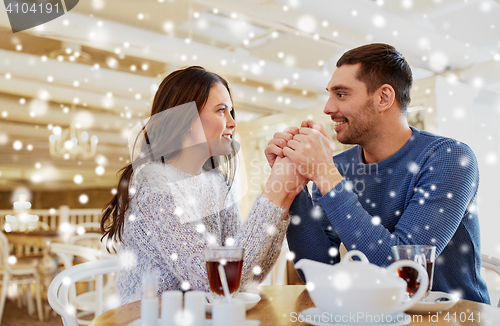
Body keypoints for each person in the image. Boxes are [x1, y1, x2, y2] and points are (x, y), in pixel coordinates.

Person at [265, 43, 490, 303]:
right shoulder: (337, 168)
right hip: (377, 316)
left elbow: (401, 276)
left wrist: (324, 173)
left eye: (341, 94)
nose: (327, 108)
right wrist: (296, 185)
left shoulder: (450, 158)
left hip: (454, 319)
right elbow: (320, 271)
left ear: (384, 97)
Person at [101, 66, 306, 304]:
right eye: (221, 111)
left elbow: (248, 273)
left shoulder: (215, 183)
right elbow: (215, 281)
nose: (232, 122)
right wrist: (274, 191)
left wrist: (284, 200)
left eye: (231, 112)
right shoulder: (154, 186)